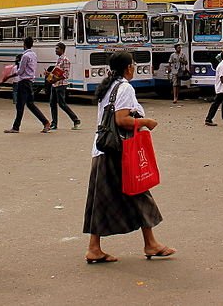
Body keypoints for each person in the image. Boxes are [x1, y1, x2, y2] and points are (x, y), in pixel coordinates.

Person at [83, 51, 174, 264]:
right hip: (117, 151)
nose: (134, 67)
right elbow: (122, 119)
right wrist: (146, 122)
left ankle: (95, 247)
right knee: (139, 192)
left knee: (103, 199)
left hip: (103, 150)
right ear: (128, 68)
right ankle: (149, 243)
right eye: (132, 64)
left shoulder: (109, 87)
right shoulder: (124, 87)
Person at [4, 37, 51, 134]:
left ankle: (16, 127)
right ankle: (45, 122)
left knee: (20, 105)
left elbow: (20, 71)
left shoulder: (25, 56)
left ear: (24, 44)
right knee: (30, 104)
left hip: (23, 82)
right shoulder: (33, 55)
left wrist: (8, 76)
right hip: (30, 82)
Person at [46, 42, 81, 130]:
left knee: (62, 104)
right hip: (55, 84)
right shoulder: (59, 60)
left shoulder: (65, 60)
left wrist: (55, 79)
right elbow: (56, 72)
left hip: (61, 85)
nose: (55, 50)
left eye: (57, 49)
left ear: (62, 50)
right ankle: (54, 123)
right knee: (52, 103)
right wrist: (49, 75)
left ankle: (75, 120)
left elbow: (65, 74)